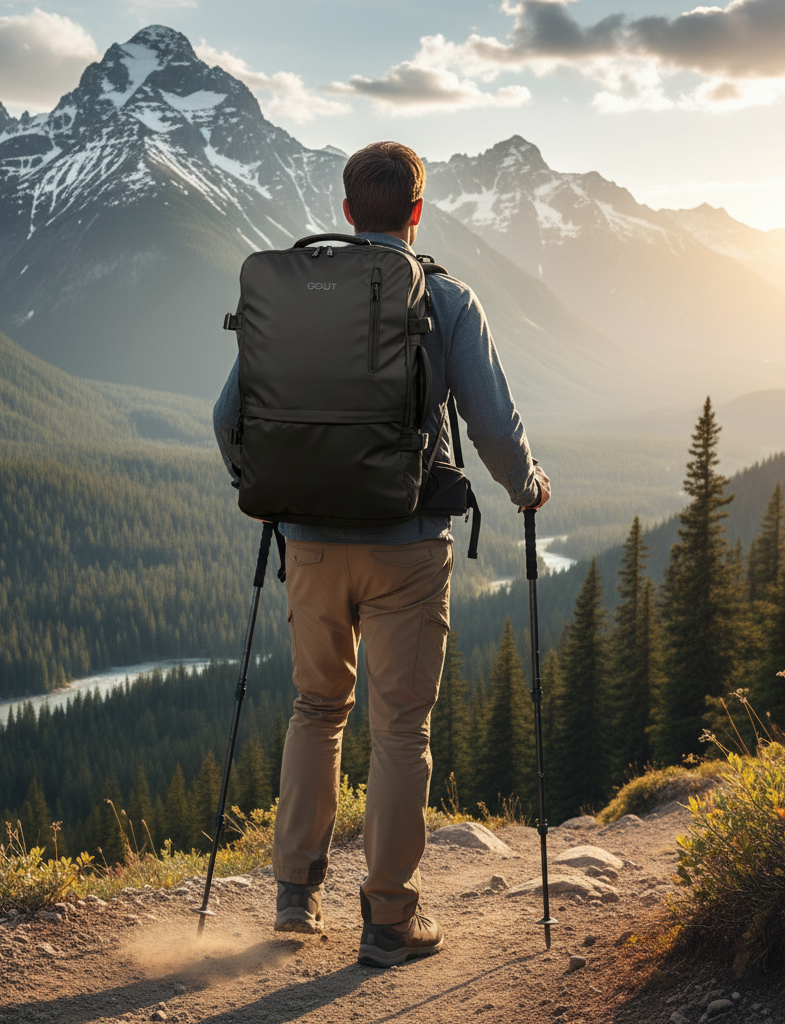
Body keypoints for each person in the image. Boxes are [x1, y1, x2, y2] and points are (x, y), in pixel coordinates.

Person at [213, 141, 549, 967]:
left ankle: (295, 895)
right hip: (406, 548)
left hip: (310, 546)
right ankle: (389, 921)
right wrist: (526, 486)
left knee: (315, 710)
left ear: (345, 210)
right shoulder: (445, 297)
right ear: (417, 212)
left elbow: (228, 419)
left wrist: (272, 490)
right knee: (400, 730)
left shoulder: (295, 297)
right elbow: (493, 426)